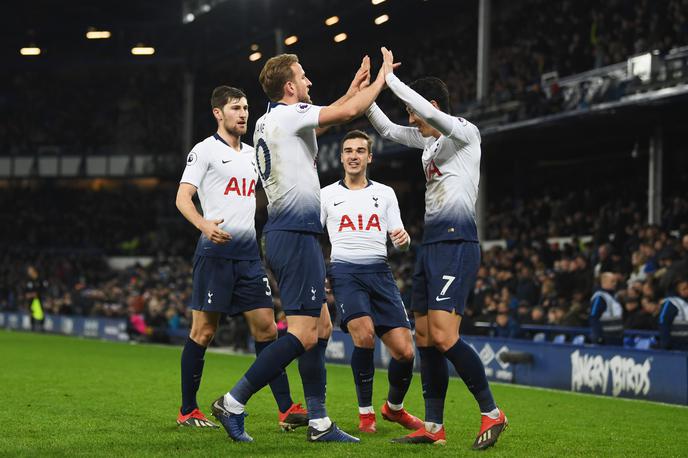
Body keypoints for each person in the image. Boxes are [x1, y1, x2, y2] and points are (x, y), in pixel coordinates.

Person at [211, 51, 393, 443]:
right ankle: (234, 400)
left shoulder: (271, 122)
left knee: (321, 324)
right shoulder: (286, 117)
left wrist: (352, 90)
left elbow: (327, 117)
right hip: (295, 233)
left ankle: (319, 421)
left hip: (287, 232)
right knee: (304, 333)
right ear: (290, 87)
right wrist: (383, 79)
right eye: (304, 77)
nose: (309, 82)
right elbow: (344, 115)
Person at [365, 48, 507, 450]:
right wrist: (368, 95)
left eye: (416, 113)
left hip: (457, 243)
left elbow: (411, 110)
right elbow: (390, 131)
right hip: (432, 245)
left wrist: (390, 78)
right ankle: (433, 427)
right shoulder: (428, 144)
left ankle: (492, 413)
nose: (412, 121)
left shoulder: (464, 132)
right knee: (425, 338)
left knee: (445, 336)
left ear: (432, 107)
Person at [175, 86, 307, 431]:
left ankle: (286, 410)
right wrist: (204, 224)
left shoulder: (253, 154)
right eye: (236, 108)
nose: (243, 114)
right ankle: (188, 410)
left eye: (246, 108)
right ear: (218, 113)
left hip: (249, 255)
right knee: (203, 331)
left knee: (267, 328)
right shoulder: (204, 151)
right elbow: (183, 198)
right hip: (215, 254)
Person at [321, 129, 422, 434]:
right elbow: (313, 238)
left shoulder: (386, 193)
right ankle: (366, 414)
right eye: (348, 150)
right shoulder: (326, 195)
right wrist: (320, 273)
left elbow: (400, 241)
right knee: (364, 336)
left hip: (380, 272)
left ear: (369, 157)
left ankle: (393, 408)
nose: (354, 156)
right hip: (345, 273)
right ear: (341, 157)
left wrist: (404, 241)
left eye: (360, 151)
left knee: (406, 352)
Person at [589, 272, 623, 344]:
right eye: (612, 281)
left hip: (616, 337)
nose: (615, 284)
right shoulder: (599, 297)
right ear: (604, 282)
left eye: (615, 281)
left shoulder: (614, 297)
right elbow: (593, 316)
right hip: (604, 338)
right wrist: (598, 335)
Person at [658, 278, 688, 349]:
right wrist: (665, 343)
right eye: (684, 288)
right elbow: (663, 321)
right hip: (676, 345)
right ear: (677, 289)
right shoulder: (671, 302)